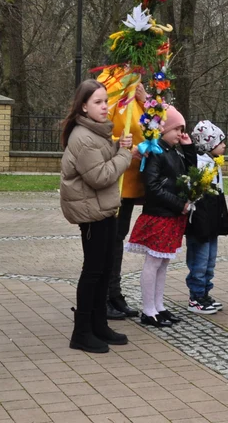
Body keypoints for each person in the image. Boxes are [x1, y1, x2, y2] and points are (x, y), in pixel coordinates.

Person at [59, 80, 134, 354]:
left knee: (103, 269)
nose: (105, 107)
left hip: (103, 210)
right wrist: (125, 154)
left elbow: (102, 161)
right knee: (93, 271)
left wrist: (117, 147)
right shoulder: (84, 137)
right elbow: (100, 176)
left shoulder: (97, 134)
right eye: (99, 102)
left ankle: (99, 324)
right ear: (84, 106)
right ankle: (81, 332)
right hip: (92, 214)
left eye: (106, 101)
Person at [126, 105, 195, 328]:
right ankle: (148, 310)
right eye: (177, 129)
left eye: (182, 129)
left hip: (172, 214)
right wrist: (178, 204)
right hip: (159, 215)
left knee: (164, 262)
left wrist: (188, 147)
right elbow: (153, 186)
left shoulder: (175, 151)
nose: (180, 134)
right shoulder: (155, 152)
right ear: (163, 129)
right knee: (154, 261)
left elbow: (189, 170)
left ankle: (159, 306)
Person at [98, 71, 146, 321]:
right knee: (109, 240)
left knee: (118, 238)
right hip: (114, 179)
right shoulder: (112, 84)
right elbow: (101, 130)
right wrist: (123, 144)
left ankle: (114, 293)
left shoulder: (138, 90)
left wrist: (147, 100)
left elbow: (154, 125)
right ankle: (104, 295)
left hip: (131, 181)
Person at [186, 120, 228, 314]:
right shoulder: (199, 163)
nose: (224, 146)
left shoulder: (215, 162)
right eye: (220, 142)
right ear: (208, 144)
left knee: (210, 260)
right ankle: (196, 295)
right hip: (201, 218)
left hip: (213, 217)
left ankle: (205, 292)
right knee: (200, 259)